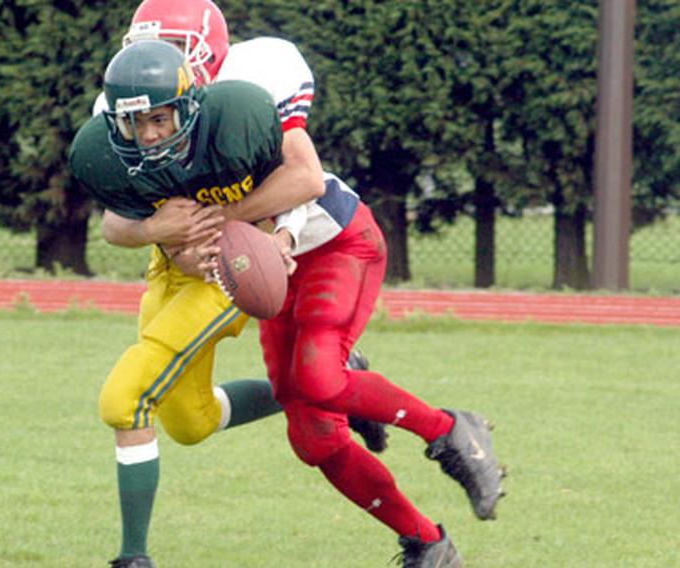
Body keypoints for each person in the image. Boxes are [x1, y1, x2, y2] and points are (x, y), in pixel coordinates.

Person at [71, 41, 505, 568]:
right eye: (134, 119)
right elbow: (127, 222)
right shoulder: (133, 137)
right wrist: (165, 238)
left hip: (331, 244)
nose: (148, 134)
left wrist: (257, 230)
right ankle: (427, 543)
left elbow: (304, 180)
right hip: (265, 269)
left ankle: (451, 430)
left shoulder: (244, 108)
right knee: (313, 440)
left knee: (319, 379)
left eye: (158, 117)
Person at [95, 0, 390, 455]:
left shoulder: (247, 90)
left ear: (206, 50)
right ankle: (331, 384)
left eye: (171, 46)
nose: (157, 61)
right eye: (149, 47)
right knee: (191, 424)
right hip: (186, 258)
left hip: (259, 244)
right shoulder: (124, 109)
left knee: (127, 393)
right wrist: (162, 231)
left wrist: (214, 224)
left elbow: (302, 178)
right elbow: (115, 224)